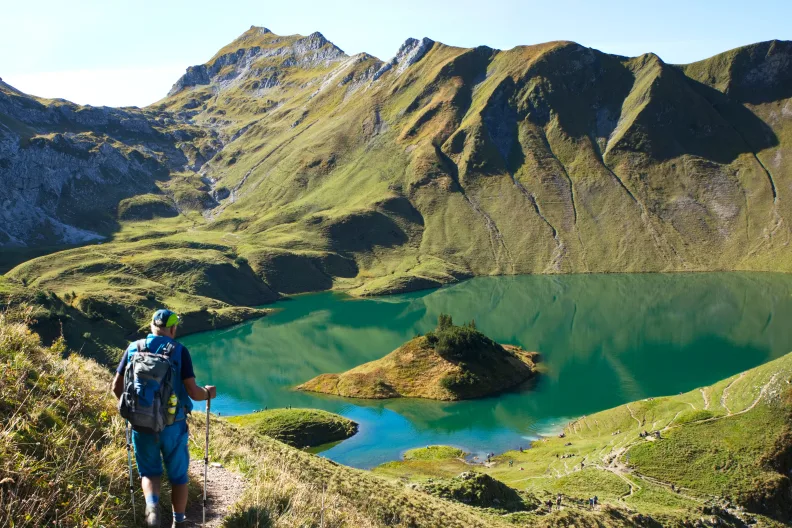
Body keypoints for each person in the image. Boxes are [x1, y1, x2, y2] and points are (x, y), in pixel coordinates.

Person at [112, 309, 217, 528]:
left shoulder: (134, 348)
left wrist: (133, 410)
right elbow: (193, 392)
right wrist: (208, 393)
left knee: (149, 473)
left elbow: (116, 387)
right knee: (179, 477)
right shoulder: (179, 351)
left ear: (152, 326)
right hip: (173, 426)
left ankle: (152, 508)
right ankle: (178, 522)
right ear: (173, 329)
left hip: (141, 425)